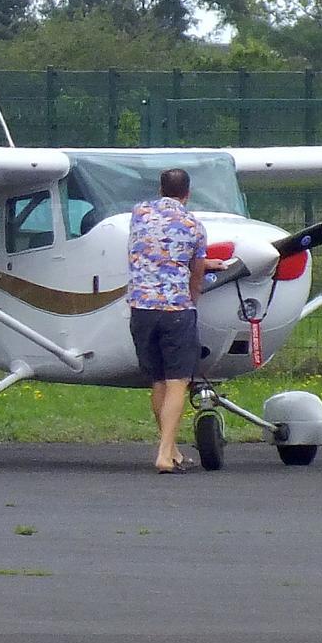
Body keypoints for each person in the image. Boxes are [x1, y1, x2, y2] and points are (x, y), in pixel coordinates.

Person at [127, 168, 222, 474]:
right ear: (188, 194)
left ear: (160, 189)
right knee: (178, 382)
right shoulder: (194, 225)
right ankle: (164, 455)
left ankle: (173, 450)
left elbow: (157, 251)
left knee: (157, 381)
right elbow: (195, 273)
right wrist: (195, 294)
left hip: (141, 308)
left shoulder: (139, 214)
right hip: (175, 310)